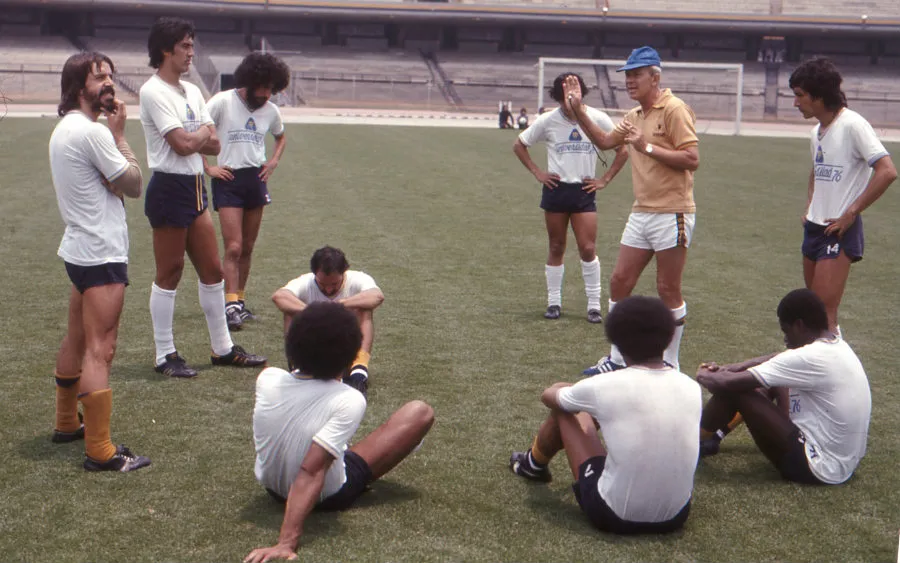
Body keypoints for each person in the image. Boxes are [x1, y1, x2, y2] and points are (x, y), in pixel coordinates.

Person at [245, 302, 434, 563]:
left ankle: (336, 450)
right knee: (420, 412)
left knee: (330, 446)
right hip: (327, 496)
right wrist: (286, 542)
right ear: (351, 354)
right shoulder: (349, 399)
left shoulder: (268, 378)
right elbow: (311, 471)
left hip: (273, 489)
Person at [508, 296, 700, 534]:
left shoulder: (604, 385)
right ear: (670, 337)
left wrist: (564, 388)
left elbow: (550, 397)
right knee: (592, 405)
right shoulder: (691, 386)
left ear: (616, 342)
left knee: (566, 406)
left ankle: (533, 464)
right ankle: (532, 463)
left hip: (613, 515)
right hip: (676, 516)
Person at [140, 17, 266, 377]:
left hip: (195, 186)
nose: (191, 52)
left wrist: (194, 138)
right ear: (166, 50)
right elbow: (182, 145)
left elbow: (214, 141)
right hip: (168, 186)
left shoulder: (192, 90)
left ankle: (222, 349)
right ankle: (165, 354)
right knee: (170, 271)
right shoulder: (153, 91)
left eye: (192, 45)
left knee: (212, 272)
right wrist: (197, 137)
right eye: (185, 46)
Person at [565, 46, 700, 373]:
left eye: (636, 75)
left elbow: (692, 159)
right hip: (641, 212)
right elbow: (606, 142)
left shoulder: (674, 109)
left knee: (668, 288)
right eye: (626, 76)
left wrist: (646, 146)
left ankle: (671, 363)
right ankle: (617, 359)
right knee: (620, 281)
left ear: (655, 77)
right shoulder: (634, 116)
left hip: (673, 211)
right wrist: (579, 109)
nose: (629, 81)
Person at [49, 52, 150, 471]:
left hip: (78, 248)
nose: (108, 83)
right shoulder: (92, 133)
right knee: (100, 350)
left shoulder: (66, 129)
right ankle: (100, 450)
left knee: (76, 338)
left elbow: (115, 183)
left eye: (110, 76)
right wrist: (121, 136)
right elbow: (133, 183)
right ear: (77, 88)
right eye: (99, 78)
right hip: (100, 251)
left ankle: (65, 422)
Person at [696, 289, 871, 485]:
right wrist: (735, 367)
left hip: (820, 467)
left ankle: (692, 443)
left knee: (739, 391)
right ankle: (713, 437)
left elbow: (725, 384)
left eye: (786, 331)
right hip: (842, 461)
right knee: (769, 380)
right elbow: (779, 358)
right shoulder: (835, 345)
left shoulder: (809, 357)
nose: (785, 339)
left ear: (799, 325)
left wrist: (703, 373)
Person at [789, 58, 897, 337]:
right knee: (810, 316)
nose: (795, 103)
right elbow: (816, 172)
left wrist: (850, 213)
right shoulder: (816, 132)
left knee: (823, 316)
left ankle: (842, 378)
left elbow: (887, 171)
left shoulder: (853, 125)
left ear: (819, 95)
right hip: (813, 229)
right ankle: (815, 378)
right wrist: (810, 204)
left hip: (838, 231)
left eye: (800, 95)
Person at [513, 73, 628, 322]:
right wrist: (538, 173)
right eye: (565, 94)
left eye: (575, 93)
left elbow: (623, 150)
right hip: (556, 189)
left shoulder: (598, 118)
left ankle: (594, 305)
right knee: (556, 246)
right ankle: (554, 302)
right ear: (558, 96)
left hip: (583, 191)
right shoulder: (548, 120)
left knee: (587, 248)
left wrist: (604, 179)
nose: (570, 99)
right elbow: (519, 144)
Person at [205, 52, 290, 331]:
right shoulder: (222, 102)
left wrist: (274, 161)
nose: (266, 93)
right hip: (228, 177)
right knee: (233, 246)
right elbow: (197, 133)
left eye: (271, 88)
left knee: (248, 248)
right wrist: (209, 168)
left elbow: (280, 136)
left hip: (255, 178)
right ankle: (229, 306)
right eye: (262, 87)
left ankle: (239, 302)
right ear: (249, 81)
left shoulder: (271, 110)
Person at [272, 246, 384, 395]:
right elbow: (279, 297)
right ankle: (297, 367)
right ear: (314, 274)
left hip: (345, 350)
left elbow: (377, 296)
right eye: (323, 284)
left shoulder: (357, 278)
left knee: (364, 308)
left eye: (334, 284)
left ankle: (359, 371)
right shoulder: (305, 282)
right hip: (313, 349)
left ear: (344, 272)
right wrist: (314, 312)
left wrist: (337, 306)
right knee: (290, 311)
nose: (329, 290)